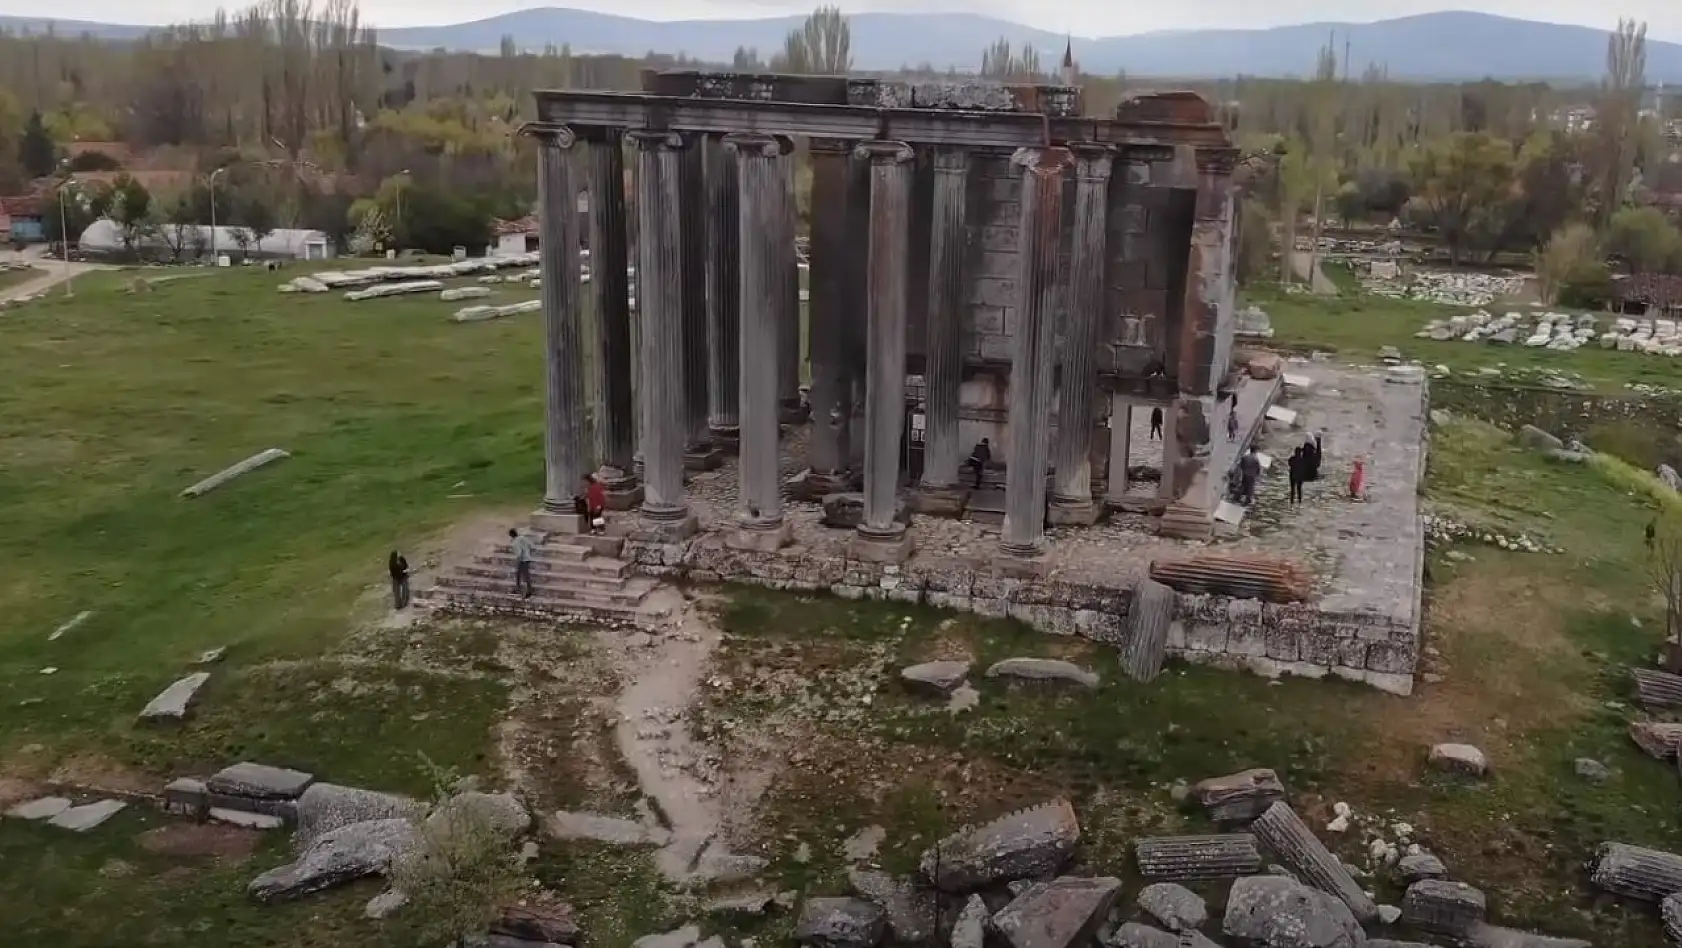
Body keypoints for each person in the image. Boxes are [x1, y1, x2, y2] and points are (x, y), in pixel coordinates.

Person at [510, 527, 536, 598]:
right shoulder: (523, 538)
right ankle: (520, 589)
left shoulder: (515, 542)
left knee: (522, 575)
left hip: (522, 560)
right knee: (522, 574)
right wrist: (528, 554)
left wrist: (518, 562)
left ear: (511, 535)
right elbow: (531, 546)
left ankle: (527, 591)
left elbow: (519, 553)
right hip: (527, 558)